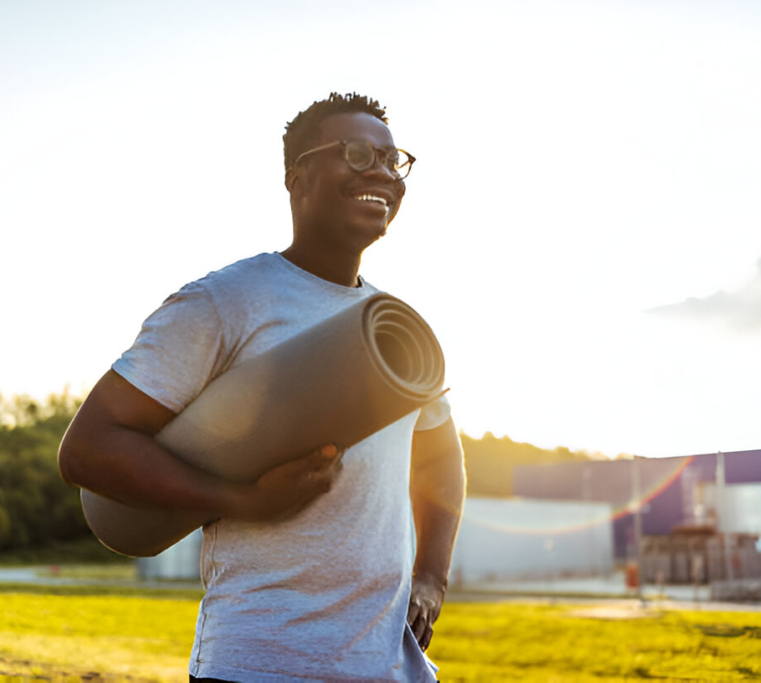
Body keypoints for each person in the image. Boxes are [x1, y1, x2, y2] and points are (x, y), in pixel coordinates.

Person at [58, 92, 466, 682]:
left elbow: (440, 460)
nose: (380, 171)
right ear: (297, 178)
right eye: (356, 153)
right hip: (258, 663)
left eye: (391, 158)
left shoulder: (395, 327)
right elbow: (88, 449)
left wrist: (432, 576)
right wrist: (242, 500)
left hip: (388, 668)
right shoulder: (225, 301)